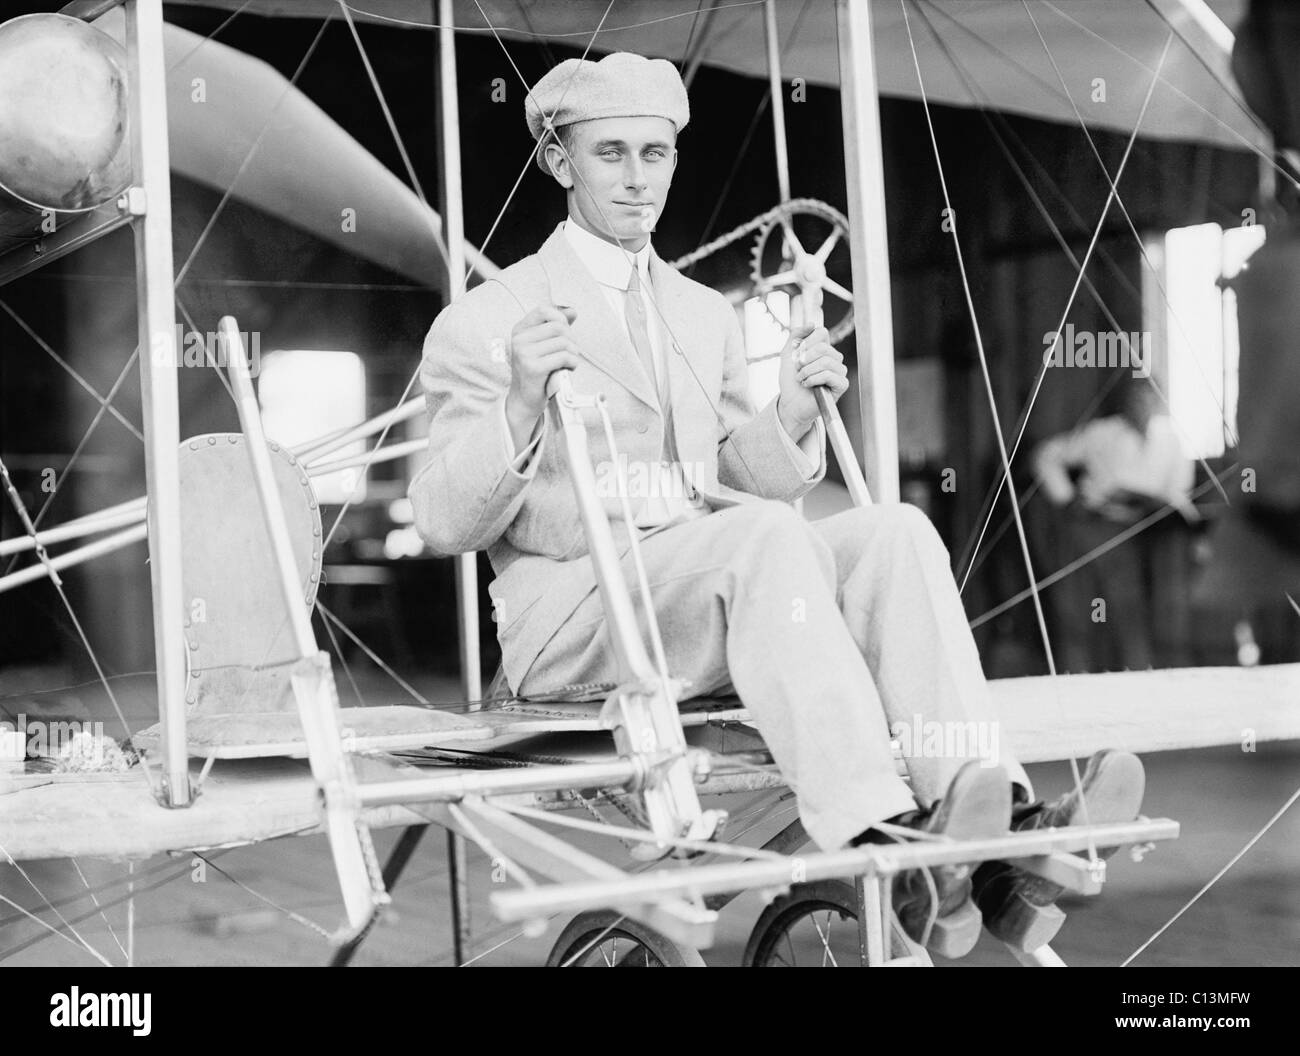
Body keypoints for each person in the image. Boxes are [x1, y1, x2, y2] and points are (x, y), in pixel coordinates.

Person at [408, 52, 1143, 957]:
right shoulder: (489, 318)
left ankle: (993, 832)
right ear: (560, 163)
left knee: (894, 533)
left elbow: (721, 477)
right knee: (757, 540)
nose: (640, 180)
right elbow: (443, 518)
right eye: (611, 155)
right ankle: (879, 832)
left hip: (700, 588)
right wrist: (520, 399)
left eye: (657, 153)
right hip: (577, 616)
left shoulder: (697, 312)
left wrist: (789, 415)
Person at [1033, 384, 1197, 671]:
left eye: (1149, 401)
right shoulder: (1101, 433)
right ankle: (1074, 676)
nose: (1142, 408)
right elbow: (1046, 455)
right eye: (1136, 400)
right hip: (1092, 524)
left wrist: (1153, 502)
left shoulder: (1170, 440)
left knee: (1131, 609)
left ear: (1159, 404)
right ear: (1125, 404)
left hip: (1141, 531)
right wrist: (1066, 498)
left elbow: (1178, 490)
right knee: (1077, 607)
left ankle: (1138, 677)